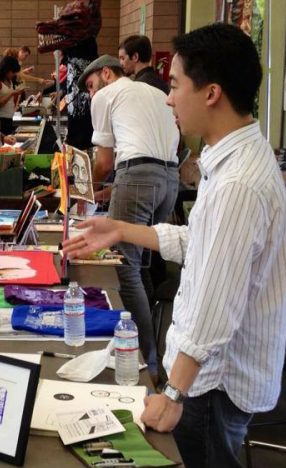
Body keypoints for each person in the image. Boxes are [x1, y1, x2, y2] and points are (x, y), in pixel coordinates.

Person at [64, 23, 286, 468]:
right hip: (210, 379)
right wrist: (120, 228)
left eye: (176, 84)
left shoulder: (238, 181)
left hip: (214, 386)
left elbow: (213, 307)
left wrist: (175, 392)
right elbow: (197, 244)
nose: (168, 98)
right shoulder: (229, 159)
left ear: (211, 92)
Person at [78, 54, 179, 379]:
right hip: (170, 178)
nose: (92, 94)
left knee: (124, 268)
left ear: (106, 73)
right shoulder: (154, 91)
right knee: (142, 265)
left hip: (139, 175)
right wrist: (112, 191)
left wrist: (85, 191)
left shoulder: (108, 95)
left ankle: (146, 361)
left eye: (91, 86)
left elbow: (105, 163)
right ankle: (151, 349)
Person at [0, 56, 26, 135]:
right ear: (6, 70)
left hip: (10, 117)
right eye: (12, 72)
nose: (14, 74)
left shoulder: (10, 80)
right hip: (1, 118)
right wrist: (12, 93)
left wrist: (17, 94)